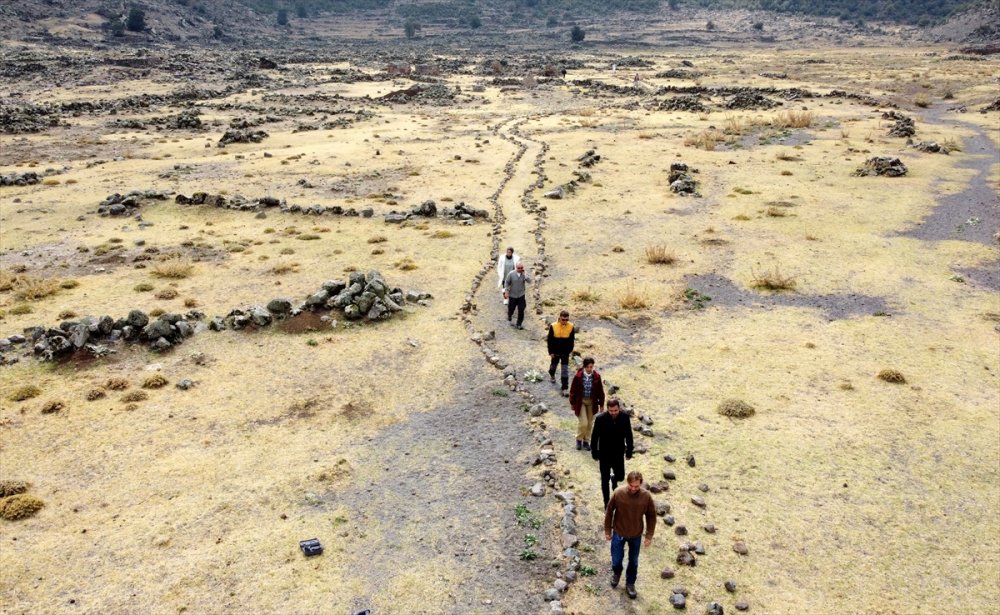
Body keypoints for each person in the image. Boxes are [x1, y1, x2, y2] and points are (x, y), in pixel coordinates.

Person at [604, 470, 656, 600]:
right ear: (627, 483)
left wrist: (649, 536)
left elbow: (651, 516)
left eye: (636, 486)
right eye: (631, 486)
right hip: (618, 532)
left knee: (633, 561)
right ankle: (617, 573)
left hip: (636, 534)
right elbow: (609, 511)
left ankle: (630, 583)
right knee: (616, 560)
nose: (633, 489)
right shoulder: (618, 493)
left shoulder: (646, 496)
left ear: (641, 483)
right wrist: (607, 530)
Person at [591, 398, 633, 509]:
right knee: (604, 480)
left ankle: (614, 479)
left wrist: (629, 451)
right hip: (604, 455)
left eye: (615, 410)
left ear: (619, 408)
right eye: (611, 411)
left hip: (618, 454)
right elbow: (594, 437)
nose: (613, 413)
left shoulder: (625, 418)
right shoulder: (600, 419)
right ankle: (607, 504)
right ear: (607, 409)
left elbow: (629, 435)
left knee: (620, 476)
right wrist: (594, 453)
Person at [569, 356, 605, 450]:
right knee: (583, 422)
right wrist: (572, 403)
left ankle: (586, 441)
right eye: (588, 367)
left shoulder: (596, 377)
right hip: (581, 402)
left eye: (591, 367)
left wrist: (601, 404)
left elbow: (600, 391)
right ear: (584, 366)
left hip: (592, 402)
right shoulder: (578, 376)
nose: (590, 369)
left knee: (589, 423)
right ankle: (579, 439)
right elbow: (573, 390)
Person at [547, 310, 576, 394]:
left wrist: (569, 351)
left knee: (564, 370)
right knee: (553, 366)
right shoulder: (553, 326)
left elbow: (571, 340)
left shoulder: (571, 326)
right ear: (559, 318)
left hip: (565, 353)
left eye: (567, 319)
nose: (565, 321)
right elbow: (550, 340)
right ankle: (552, 374)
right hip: (555, 352)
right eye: (563, 319)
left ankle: (564, 387)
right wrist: (551, 352)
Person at [503, 262, 529, 329]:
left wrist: (526, 275)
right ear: (515, 268)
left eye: (521, 268)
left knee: (521, 309)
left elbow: (530, 281)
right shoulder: (511, 274)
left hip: (521, 295)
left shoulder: (524, 274)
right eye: (518, 268)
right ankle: (509, 316)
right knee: (511, 308)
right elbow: (507, 282)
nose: (520, 269)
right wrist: (506, 291)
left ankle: (519, 324)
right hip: (512, 295)